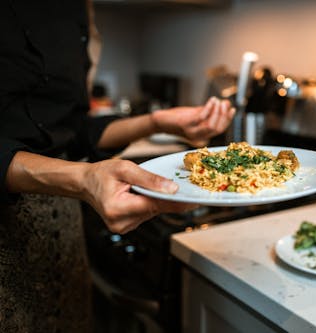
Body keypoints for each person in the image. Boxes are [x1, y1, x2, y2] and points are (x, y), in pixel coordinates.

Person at [0, 0, 235, 331]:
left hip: (64, 227)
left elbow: (74, 129)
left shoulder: (78, 8)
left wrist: (158, 122)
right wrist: (83, 178)